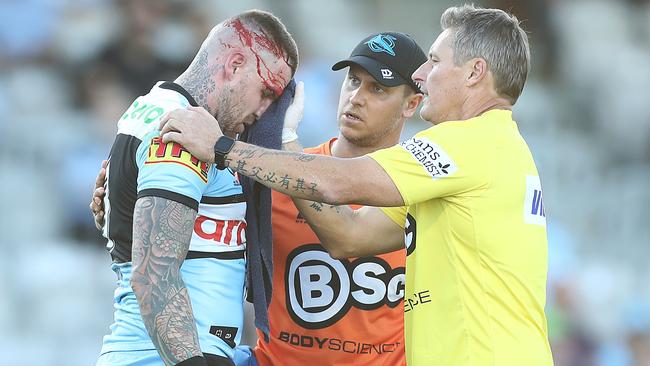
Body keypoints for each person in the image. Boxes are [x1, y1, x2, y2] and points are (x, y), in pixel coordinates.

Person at [156, 4, 553, 366]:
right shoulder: (494, 150)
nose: (422, 75)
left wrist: (222, 147)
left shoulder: (470, 143)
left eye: (434, 61)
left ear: (474, 72)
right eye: (353, 81)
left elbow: (339, 183)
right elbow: (350, 236)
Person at [93, 32, 426, 366]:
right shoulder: (268, 175)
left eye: (377, 89)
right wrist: (120, 199)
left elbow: (347, 234)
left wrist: (268, 143)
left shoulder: (425, 189)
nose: (357, 97)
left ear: (412, 103)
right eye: (353, 81)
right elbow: (188, 231)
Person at [93, 10, 298, 366]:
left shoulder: (155, 109)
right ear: (234, 65)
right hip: (167, 356)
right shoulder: (183, 129)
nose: (265, 111)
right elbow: (154, 273)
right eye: (266, 92)